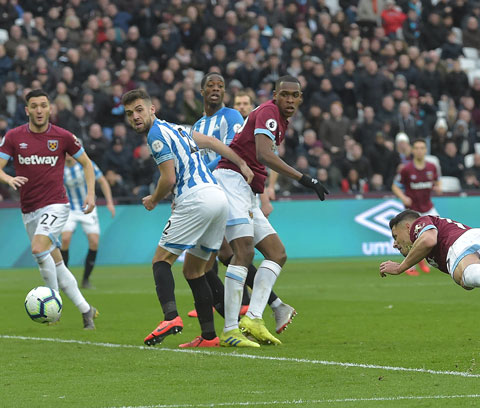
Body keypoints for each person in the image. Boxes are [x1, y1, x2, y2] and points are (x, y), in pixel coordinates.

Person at [121, 88, 255, 348]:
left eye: (138, 110)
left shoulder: (156, 136)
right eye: (129, 114)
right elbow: (215, 144)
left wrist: (153, 199)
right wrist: (241, 162)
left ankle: (170, 317)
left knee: (161, 260)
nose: (135, 117)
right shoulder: (178, 129)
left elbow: (168, 178)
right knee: (196, 270)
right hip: (217, 198)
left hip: (195, 198)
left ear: (151, 109)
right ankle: (211, 335)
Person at [214, 75, 328, 346]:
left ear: (300, 99)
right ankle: (230, 329)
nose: (289, 99)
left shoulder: (278, 118)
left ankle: (253, 318)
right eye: (284, 94)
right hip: (232, 181)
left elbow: (260, 159)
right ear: (275, 95)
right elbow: (265, 155)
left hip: (248, 190)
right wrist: (305, 179)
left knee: (277, 253)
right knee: (241, 252)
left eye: (294, 95)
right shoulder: (269, 112)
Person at [189, 73, 296, 335]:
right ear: (201, 91)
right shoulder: (199, 124)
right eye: (210, 86)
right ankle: (248, 314)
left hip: (228, 186)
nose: (215, 90)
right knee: (222, 256)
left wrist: (263, 194)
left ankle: (232, 322)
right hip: (213, 190)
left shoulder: (232, 117)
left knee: (227, 255)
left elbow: (236, 154)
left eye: (220, 86)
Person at [0, 89, 98, 330]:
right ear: (27, 110)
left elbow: (87, 163)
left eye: (43, 105)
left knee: (39, 250)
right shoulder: (14, 137)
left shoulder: (63, 137)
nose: (39, 110)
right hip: (29, 210)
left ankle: (53, 304)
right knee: (57, 263)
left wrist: (91, 193)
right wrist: (9, 180)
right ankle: (86, 310)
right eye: (34, 106)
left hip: (57, 205)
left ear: (50, 109)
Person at [380, 203, 480, 307]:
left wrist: (400, 268)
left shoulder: (419, 223)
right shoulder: (430, 250)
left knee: (468, 275)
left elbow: (428, 240)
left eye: (395, 236)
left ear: (407, 227)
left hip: (459, 244)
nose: (395, 244)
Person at [60, 155, 116, 289]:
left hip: (88, 207)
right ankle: (64, 279)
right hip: (69, 209)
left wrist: (109, 202)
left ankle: (86, 280)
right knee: (65, 239)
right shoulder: (59, 166)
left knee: (94, 242)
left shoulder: (85, 163)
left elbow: (102, 181)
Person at [391, 138, 440, 276]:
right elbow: (395, 186)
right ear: (413, 150)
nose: (419, 150)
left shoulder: (431, 167)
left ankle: (433, 260)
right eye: (416, 148)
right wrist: (403, 197)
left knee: (438, 233)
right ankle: (409, 266)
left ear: (425, 150)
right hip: (412, 211)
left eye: (422, 148)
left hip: (428, 208)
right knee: (408, 239)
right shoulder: (407, 169)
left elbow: (437, 181)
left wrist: (438, 187)